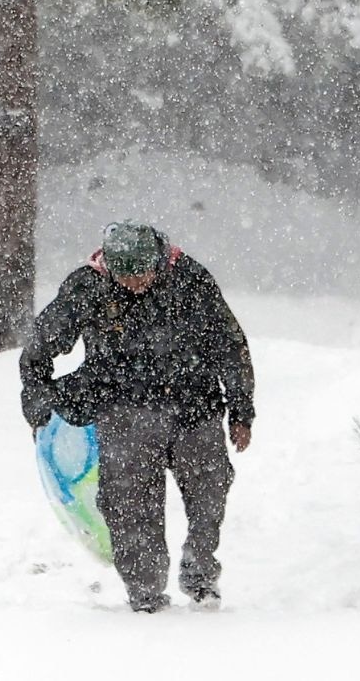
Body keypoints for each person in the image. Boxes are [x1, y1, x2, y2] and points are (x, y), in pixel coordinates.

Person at [21, 221, 257, 613]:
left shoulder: (190, 279)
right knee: (129, 506)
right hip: (123, 411)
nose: (134, 284)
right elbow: (37, 350)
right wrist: (38, 406)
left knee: (209, 496)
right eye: (125, 276)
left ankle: (199, 573)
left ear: (159, 262)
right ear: (108, 266)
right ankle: (145, 594)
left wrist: (241, 411)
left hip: (194, 407)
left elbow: (231, 346)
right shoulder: (87, 286)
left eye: (142, 274)